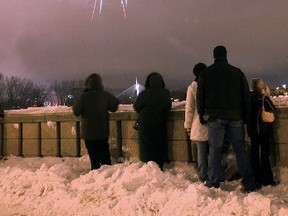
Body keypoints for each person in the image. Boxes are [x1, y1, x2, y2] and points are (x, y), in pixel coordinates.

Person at [197, 45, 260, 192]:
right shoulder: (237, 73)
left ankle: (213, 182)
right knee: (240, 150)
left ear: (214, 56)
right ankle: (249, 182)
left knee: (214, 151)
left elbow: (200, 98)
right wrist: (244, 115)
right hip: (235, 117)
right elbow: (246, 96)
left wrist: (202, 115)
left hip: (215, 117)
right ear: (226, 55)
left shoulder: (206, 73)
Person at [72, 73, 119, 170]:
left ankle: (96, 174)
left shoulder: (84, 97)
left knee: (94, 158)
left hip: (88, 133)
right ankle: (107, 175)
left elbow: (76, 111)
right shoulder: (105, 95)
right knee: (105, 156)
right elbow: (114, 107)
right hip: (102, 131)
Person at [133, 72, 172, 170]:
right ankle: (159, 168)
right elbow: (168, 107)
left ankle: (148, 169)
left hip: (145, 124)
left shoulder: (144, 93)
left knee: (147, 148)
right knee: (159, 146)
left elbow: (136, 106)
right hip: (160, 123)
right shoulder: (166, 93)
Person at [248, 78, 279, 186]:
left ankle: (256, 178)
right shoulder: (263, 98)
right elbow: (272, 110)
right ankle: (267, 179)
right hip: (263, 130)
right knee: (265, 155)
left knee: (254, 154)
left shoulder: (249, 97)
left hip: (252, 131)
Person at [184, 63, 209, 182]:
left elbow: (189, 109)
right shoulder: (211, 85)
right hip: (213, 122)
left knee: (201, 152)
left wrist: (188, 126)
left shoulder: (193, 87)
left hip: (199, 123)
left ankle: (203, 175)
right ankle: (216, 174)